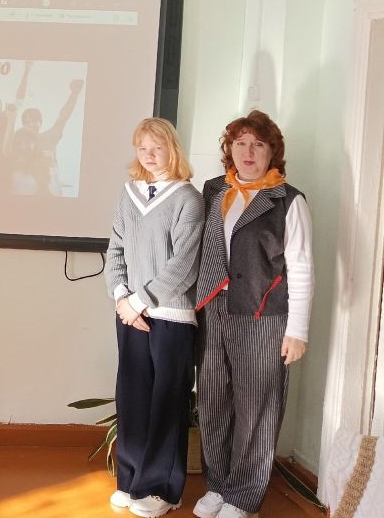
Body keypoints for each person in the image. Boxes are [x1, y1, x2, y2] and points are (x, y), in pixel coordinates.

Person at [193, 111, 313, 518]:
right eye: (240, 143)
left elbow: (301, 267)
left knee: (256, 408)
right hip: (214, 311)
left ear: (271, 153)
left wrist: (297, 331)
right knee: (212, 401)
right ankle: (218, 485)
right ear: (229, 149)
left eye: (258, 144)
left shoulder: (288, 200)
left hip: (264, 316)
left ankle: (243, 498)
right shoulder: (213, 190)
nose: (248, 152)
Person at [103, 118, 204, 518]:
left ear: (171, 150)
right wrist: (121, 298)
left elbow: (185, 264)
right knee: (133, 399)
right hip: (129, 313)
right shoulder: (128, 194)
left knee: (166, 403)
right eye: (142, 147)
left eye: (156, 147)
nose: (148, 154)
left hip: (171, 316)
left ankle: (163, 490)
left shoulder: (188, 198)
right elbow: (115, 250)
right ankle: (131, 482)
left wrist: (141, 301)